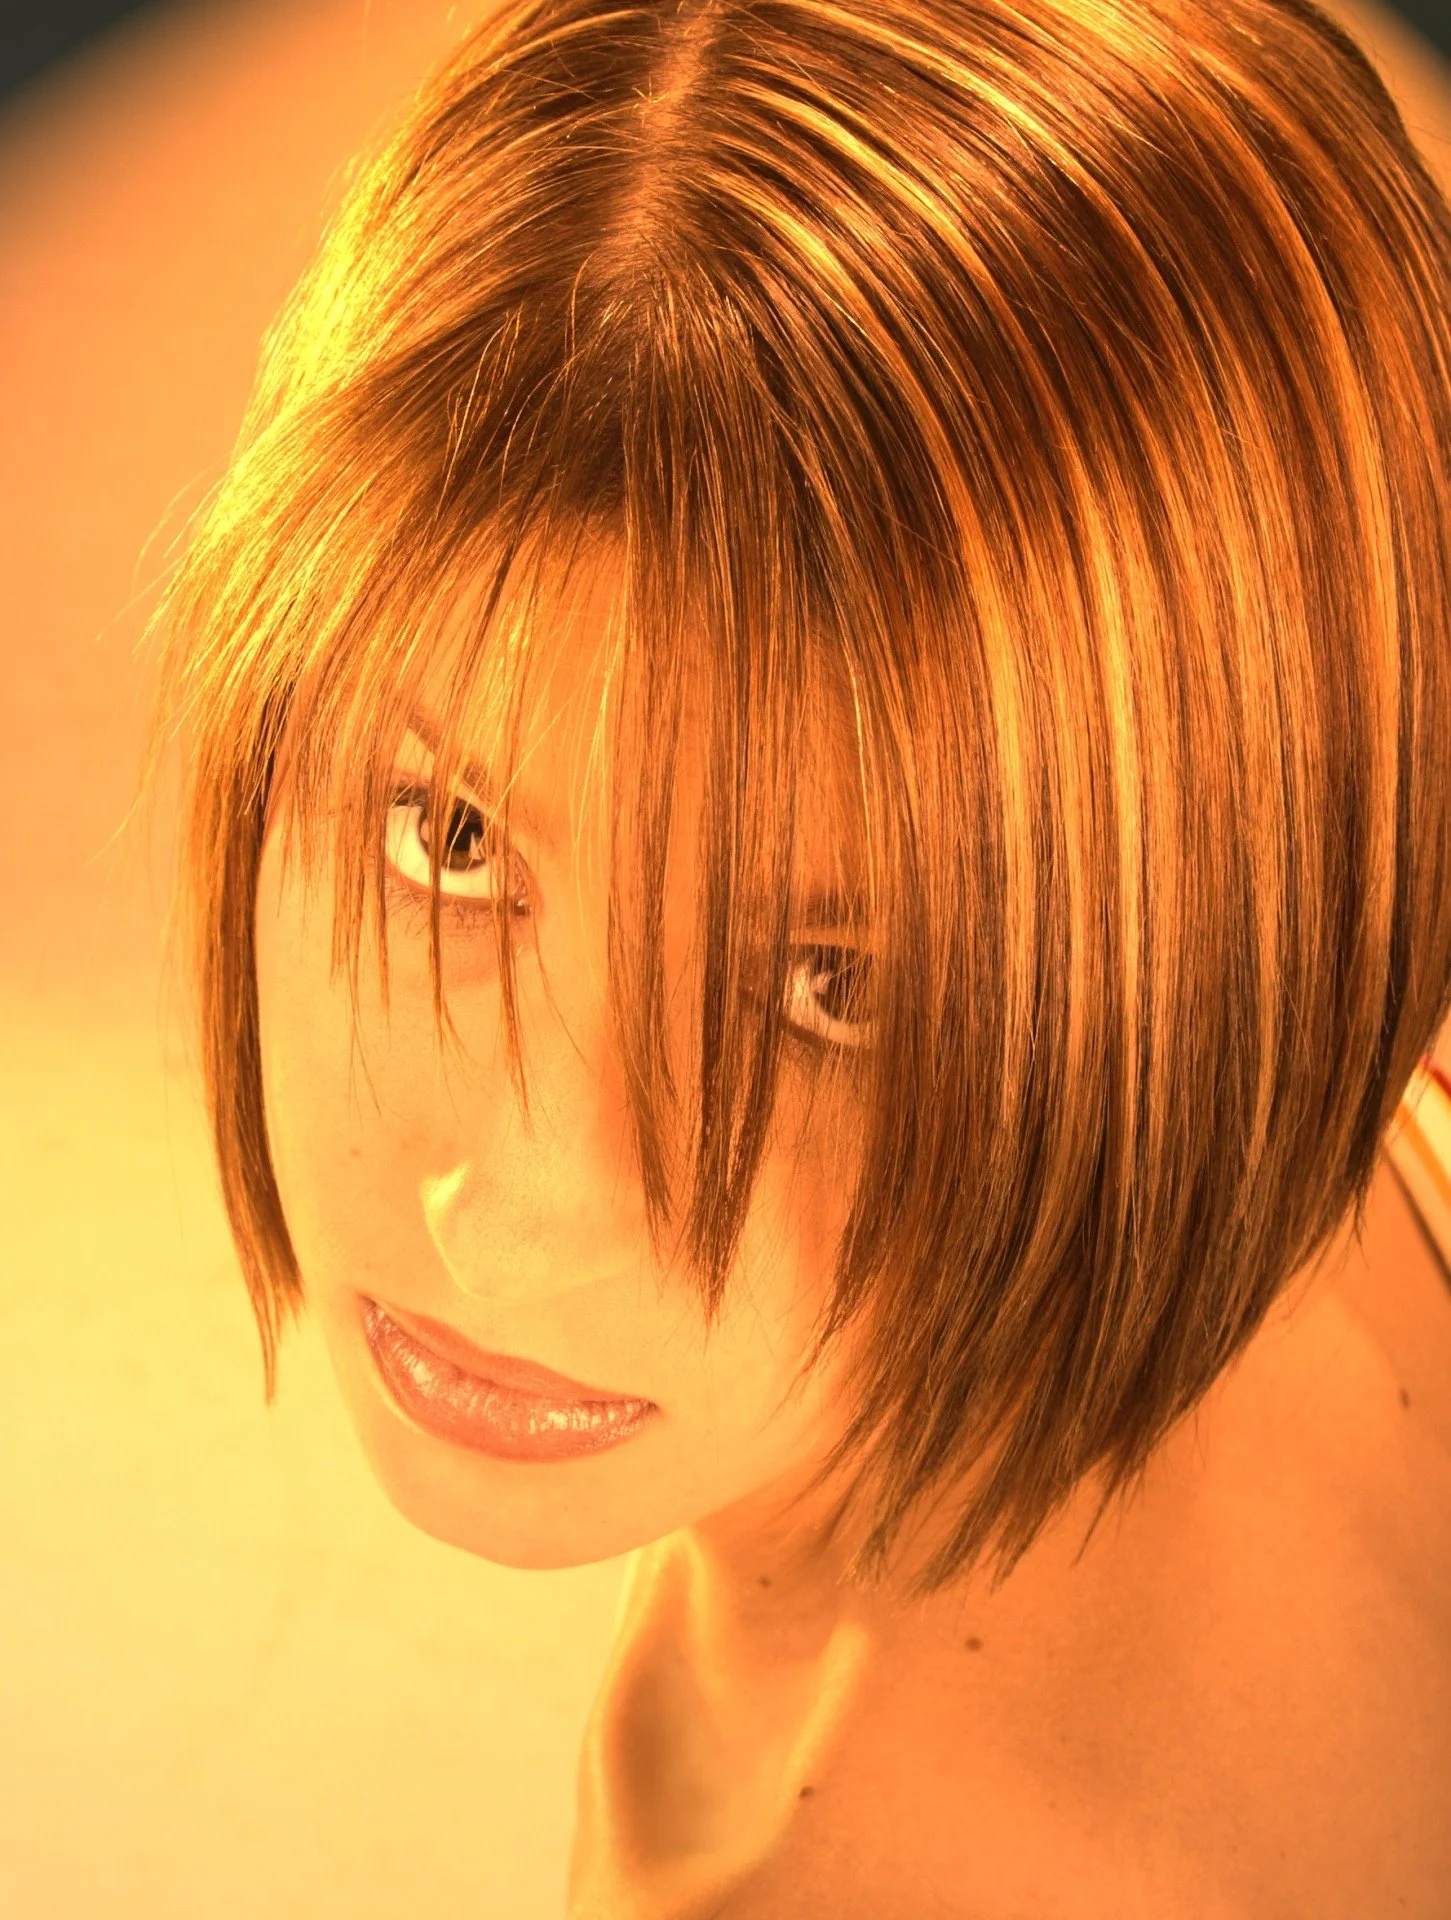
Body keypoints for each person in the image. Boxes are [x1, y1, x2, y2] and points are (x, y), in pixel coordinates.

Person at [144, 0, 1451, 1910]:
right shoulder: (1357, 1100)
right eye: (457, 836)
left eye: (835, 986)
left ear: (1235, 912)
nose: (499, 1222)